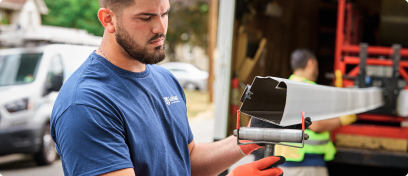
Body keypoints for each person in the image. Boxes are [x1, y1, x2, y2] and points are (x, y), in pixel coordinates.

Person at [50, 0, 285, 175]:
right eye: (146, 17)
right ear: (108, 19)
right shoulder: (85, 103)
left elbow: (187, 159)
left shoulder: (165, 79)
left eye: (165, 13)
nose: (160, 27)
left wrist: (249, 138)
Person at [275, 49, 357, 176]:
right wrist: (343, 119)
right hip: (306, 165)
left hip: (287, 161)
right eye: (317, 66)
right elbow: (316, 125)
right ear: (311, 64)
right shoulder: (307, 88)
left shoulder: (285, 86)